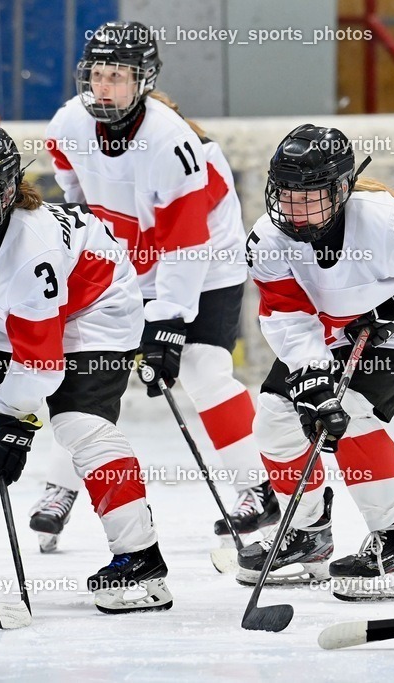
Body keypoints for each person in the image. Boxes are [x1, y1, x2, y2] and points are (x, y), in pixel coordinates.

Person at [0, 126, 173, 614]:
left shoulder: (31, 251)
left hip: (96, 309)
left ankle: (140, 560)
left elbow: (40, 361)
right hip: (13, 309)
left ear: (6, 195)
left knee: (80, 424)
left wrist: (14, 427)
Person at [35, 20, 271, 553]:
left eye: (117, 76)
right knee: (90, 366)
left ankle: (257, 486)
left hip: (207, 263)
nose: (104, 87)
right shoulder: (70, 123)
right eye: (97, 75)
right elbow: (73, 190)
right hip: (129, 264)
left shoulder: (172, 145)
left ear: (143, 81)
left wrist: (167, 321)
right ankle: (62, 485)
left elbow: (186, 245)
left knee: (203, 370)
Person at [238, 124, 394, 601]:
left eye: (309, 195)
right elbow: (286, 312)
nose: (294, 207)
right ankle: (307, 535)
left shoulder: (388, 224)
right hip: (328, 328)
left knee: (351, 419)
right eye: (285, 194)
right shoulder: (267, 239)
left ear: (342, 189)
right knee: (276, 419)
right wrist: (310, 374)